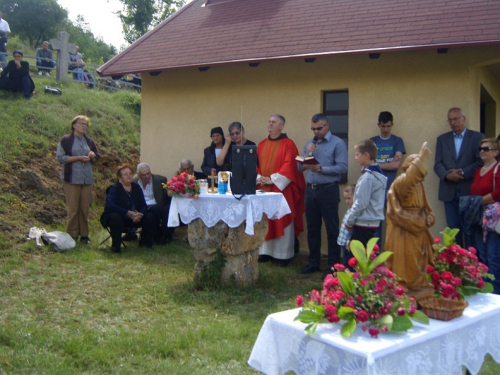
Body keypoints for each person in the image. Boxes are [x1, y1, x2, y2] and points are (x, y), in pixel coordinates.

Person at [385, 142, 436, 301]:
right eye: (417, 170)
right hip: (405, 229)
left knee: (419, 262)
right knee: (406, 261)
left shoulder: (419, 185)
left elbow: (426, 208)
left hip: (418, 228)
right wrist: (422, 157)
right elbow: (410, 178)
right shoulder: (402, 182)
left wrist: (428, 218)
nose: (420, 175)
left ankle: (418, 286)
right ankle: (405, 287)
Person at [298, 113, 348, 276]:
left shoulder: (338, 143)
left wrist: (320, 169)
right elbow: (299, 168)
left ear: (327, 126)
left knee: (332, 229)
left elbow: (342, 168)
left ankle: (333, 265)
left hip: (328, 189)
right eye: (313, 129)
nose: (316, 132)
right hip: (311, 189)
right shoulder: (309, 143)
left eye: (319, 128)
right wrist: (307, 155)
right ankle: (313, 262)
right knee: (312, 228)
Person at [257, 114, 305, 266]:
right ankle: (264, 253)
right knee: (263, 220)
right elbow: (255, 164)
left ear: (281, 126)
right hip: (263, 188)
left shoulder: (289, 144)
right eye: (269, 121)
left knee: (280, 218)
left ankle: (282, 255)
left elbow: (290, 165)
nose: (270, 124)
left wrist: (272, 179)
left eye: (274, 122)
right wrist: (259, 178)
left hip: (281, 190)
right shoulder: (262, 144)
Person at [434, 107, 484, 247]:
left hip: (468, 190)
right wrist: (447, 175)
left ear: (464, 119)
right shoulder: (442, 139)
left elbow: (480, 162)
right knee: (452, 231)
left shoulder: (477, 137)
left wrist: (462, 173)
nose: (453, 123)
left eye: (456, 119)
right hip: (449, 190)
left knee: (469, 231)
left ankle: (470, 265)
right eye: (450, 120)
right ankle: (455, 263)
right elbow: (437, 164)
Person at [56, 115, 101, 244]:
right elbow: (60, 158)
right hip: (71, 179)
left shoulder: (89, 141)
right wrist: (78, 158)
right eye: (81, 123)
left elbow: (97, 157)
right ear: (74, 125)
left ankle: (84, 235)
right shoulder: (66, 140)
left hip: (86, 179)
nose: (83, 126)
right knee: (73, 208)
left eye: (85, 124)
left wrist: (92, 156)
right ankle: (71, 234)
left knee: (84, 208)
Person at [343, 140, 387, 265]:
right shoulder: (378, 174)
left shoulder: (368, 177)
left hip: (363, 224)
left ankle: (356, 283)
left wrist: (349, 221)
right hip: (373, 223)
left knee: (357, 262)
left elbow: (360, 203)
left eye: (357, 154)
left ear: (366, 155)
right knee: (369, 259)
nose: (355, 157)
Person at [100, 164, 157, 253]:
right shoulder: (114, 188)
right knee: (115, 217)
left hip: (135, 217)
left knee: (150, 216)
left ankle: (145, 243)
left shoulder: (136, 187)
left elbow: (144, 205)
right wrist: (128, 213)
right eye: (125, 174)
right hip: (120, 217)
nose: (129, 175)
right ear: (119, 177)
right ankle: (116, 247)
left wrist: (140, 214)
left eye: (130, 173)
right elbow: (110, 205)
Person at [470, 138, 500, 294]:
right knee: (482, 255)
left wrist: (479, 200)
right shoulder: (478, 171)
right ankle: (486, 289)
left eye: (486, 149)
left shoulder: (498, 169)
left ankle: (496, 292)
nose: (482, 151)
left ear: (496, 152)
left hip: (492, 216)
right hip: (478, 215)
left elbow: (498, 192)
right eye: (481, 148)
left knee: (493, 254)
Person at [133, 162, 173, 244]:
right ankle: (153, 236)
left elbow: (168, 193)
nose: (147, 176)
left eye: (148, 173)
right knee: (148, 214)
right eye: (144, 175)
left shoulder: (160, 180)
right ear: (139, 175)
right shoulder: (134, 182)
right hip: (142, 207)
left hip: (156, 206)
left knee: (154, 209)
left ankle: (155, 235)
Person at [338, 184, 356, 270]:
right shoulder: (349, 209)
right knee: (345, 262)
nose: (346, 201)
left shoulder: (354, 211)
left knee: (350, 263)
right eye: (345, 199)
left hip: (349, 242)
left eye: (349, 198)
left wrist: (350, 240)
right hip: (343, 241)